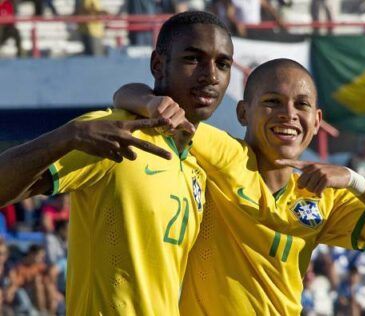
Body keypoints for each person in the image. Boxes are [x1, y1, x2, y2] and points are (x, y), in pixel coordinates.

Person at [115, 58, 365, 314]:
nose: (288, 114)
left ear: (317, 120)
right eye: (272, 102)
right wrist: (153, 103)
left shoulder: (326, 197)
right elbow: (126, 96)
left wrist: (354, 179)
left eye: (301, 105)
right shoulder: (224, 154)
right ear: (242, 112)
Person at [0, 11, 233, 315]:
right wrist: (69, 136)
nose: (211, 75)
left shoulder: (200, 161)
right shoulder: (113, 131)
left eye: (223, 64)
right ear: (158, 66)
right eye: (193, 59)